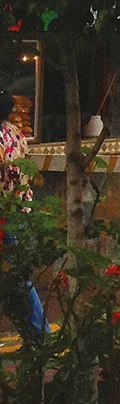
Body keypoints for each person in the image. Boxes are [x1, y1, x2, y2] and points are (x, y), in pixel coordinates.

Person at [0, 91, 45, 334]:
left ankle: (39, 331)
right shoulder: (15, 132)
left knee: (16, 277)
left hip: (5, 213)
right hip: (18, 208)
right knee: (16, 275)